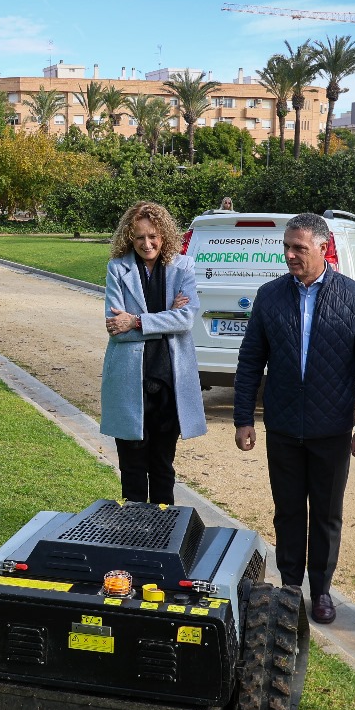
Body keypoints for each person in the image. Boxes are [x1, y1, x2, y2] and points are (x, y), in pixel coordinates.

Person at [233, 212, 355, 626]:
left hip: (331, 431)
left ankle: (321, 590)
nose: (289, 255)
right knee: (287, 512)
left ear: (323, 248)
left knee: (325, 514)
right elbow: (250, 361)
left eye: (298, 247)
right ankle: (290, 588)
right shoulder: (270, 296)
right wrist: (243, 417)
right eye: (286, 247)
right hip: (283, 428)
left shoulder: (354, 297)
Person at [99, 201, 206, 503]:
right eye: (139, 237)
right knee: (132, 468)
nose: (147, 244)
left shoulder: (183, 267)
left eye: (153, 236)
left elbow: (186, 320)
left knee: (162, 466)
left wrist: (136, 321)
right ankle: (134, 529)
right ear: (129, 238)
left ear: (164, 235)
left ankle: (164, 527)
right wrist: (167, 315)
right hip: (129, 380)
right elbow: (115, 330)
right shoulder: (117, 268)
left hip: (170, 381)